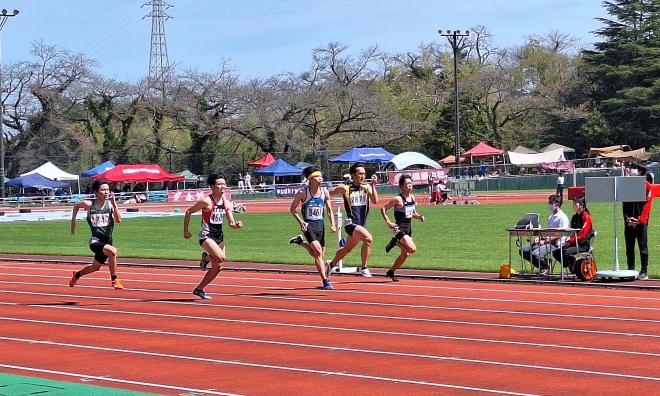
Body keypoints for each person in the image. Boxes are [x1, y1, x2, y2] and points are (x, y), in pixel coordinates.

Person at [183, 173, 243, 300]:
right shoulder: (206, 201)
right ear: (212, 186)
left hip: (219, 236)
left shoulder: (227, 203)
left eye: (223, 184)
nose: (223, 186)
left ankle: (199, 289)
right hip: (206, 236)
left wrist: (236, 225)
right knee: (221, 257)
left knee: (218, 266)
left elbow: (231, 224)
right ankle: (206, 257)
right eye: (219, 184)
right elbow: (189, 211)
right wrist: (186, 231)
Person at [326, 162, 379, 277]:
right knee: (368, 239)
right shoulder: (345, 188)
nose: (363, 176)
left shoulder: (367, 187)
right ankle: (364, 268)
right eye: (360, 174)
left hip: (361, 224)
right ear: (353, 175)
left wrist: (373, 185)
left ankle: (331, 264)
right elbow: (326, 194)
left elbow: (375, 201)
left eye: (364, 174)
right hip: (350, 224)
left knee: (347, 249)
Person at [69, 180, 124, 289]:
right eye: (103, 190)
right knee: (113, 251)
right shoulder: (89, 205)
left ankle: (77, 275)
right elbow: (76, 206)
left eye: (107, 189)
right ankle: (114, 279)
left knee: (95, 267)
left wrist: (114, 204)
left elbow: (118, 220)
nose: (106, 192)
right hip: (95, 241)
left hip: (107, 241)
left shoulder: (110, 205)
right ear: (96, 192)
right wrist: (73, 222)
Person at [288, 166, 337, 289]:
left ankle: (301, 242)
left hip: (320, 225)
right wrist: (301, 222)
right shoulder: (303, 193)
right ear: (310, 179)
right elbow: (292, 209)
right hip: (308, 225)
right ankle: (325, 281)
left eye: (321, 176)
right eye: (317, 176)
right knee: (318, 253)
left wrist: (333, 224)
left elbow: (329, 209)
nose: (321, 178)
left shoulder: (325, 192)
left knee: (317, 254)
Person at [380, 174, 425, 281]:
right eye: (406, 184)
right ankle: (395, 242)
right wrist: (388, 222)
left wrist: (419, 217)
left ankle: (391, 272)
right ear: (401, 186)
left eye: (410, 183)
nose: (409, 186)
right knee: (412, 249)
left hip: (408, 228)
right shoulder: (397, 199)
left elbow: (412, 213)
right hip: (399, 228)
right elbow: (383, 208)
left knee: (406, 254)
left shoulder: (412, 197)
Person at [520, 194, 570, 274]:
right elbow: (548, 232)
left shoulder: (562, 218)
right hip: (547, 241)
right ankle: (543, 264)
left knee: (536, 253)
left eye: (551, 202)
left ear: (557, 204)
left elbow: (560, 234)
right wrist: (540, 238)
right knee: (524, 250)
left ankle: (545, 266)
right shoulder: (551, 217)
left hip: (556, 244)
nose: (549, 204)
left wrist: (546, 241)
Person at [623, 171, 654, 280]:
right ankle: (630, 270)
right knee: (629, 248)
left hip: (641, 223)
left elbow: (647, 206)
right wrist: (628, 219)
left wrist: (639, 220)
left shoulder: (647, 187)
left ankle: (644, 271)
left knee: (643, 247)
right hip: (629, 223)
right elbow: (624, 204)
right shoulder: (628, 187)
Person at [552, 197, 594, 271]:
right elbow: (572, 231)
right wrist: (568, 239)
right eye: (573, 203)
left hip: (582, 244)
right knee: (556, 253)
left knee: (565, 253)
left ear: (581, 205)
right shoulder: (574, 217)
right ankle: (572, 264)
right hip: (573, 243)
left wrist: (571, 239)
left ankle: (574, 265)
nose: (573, 205)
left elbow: (583, 234)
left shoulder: (586, 217)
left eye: (575, 204)